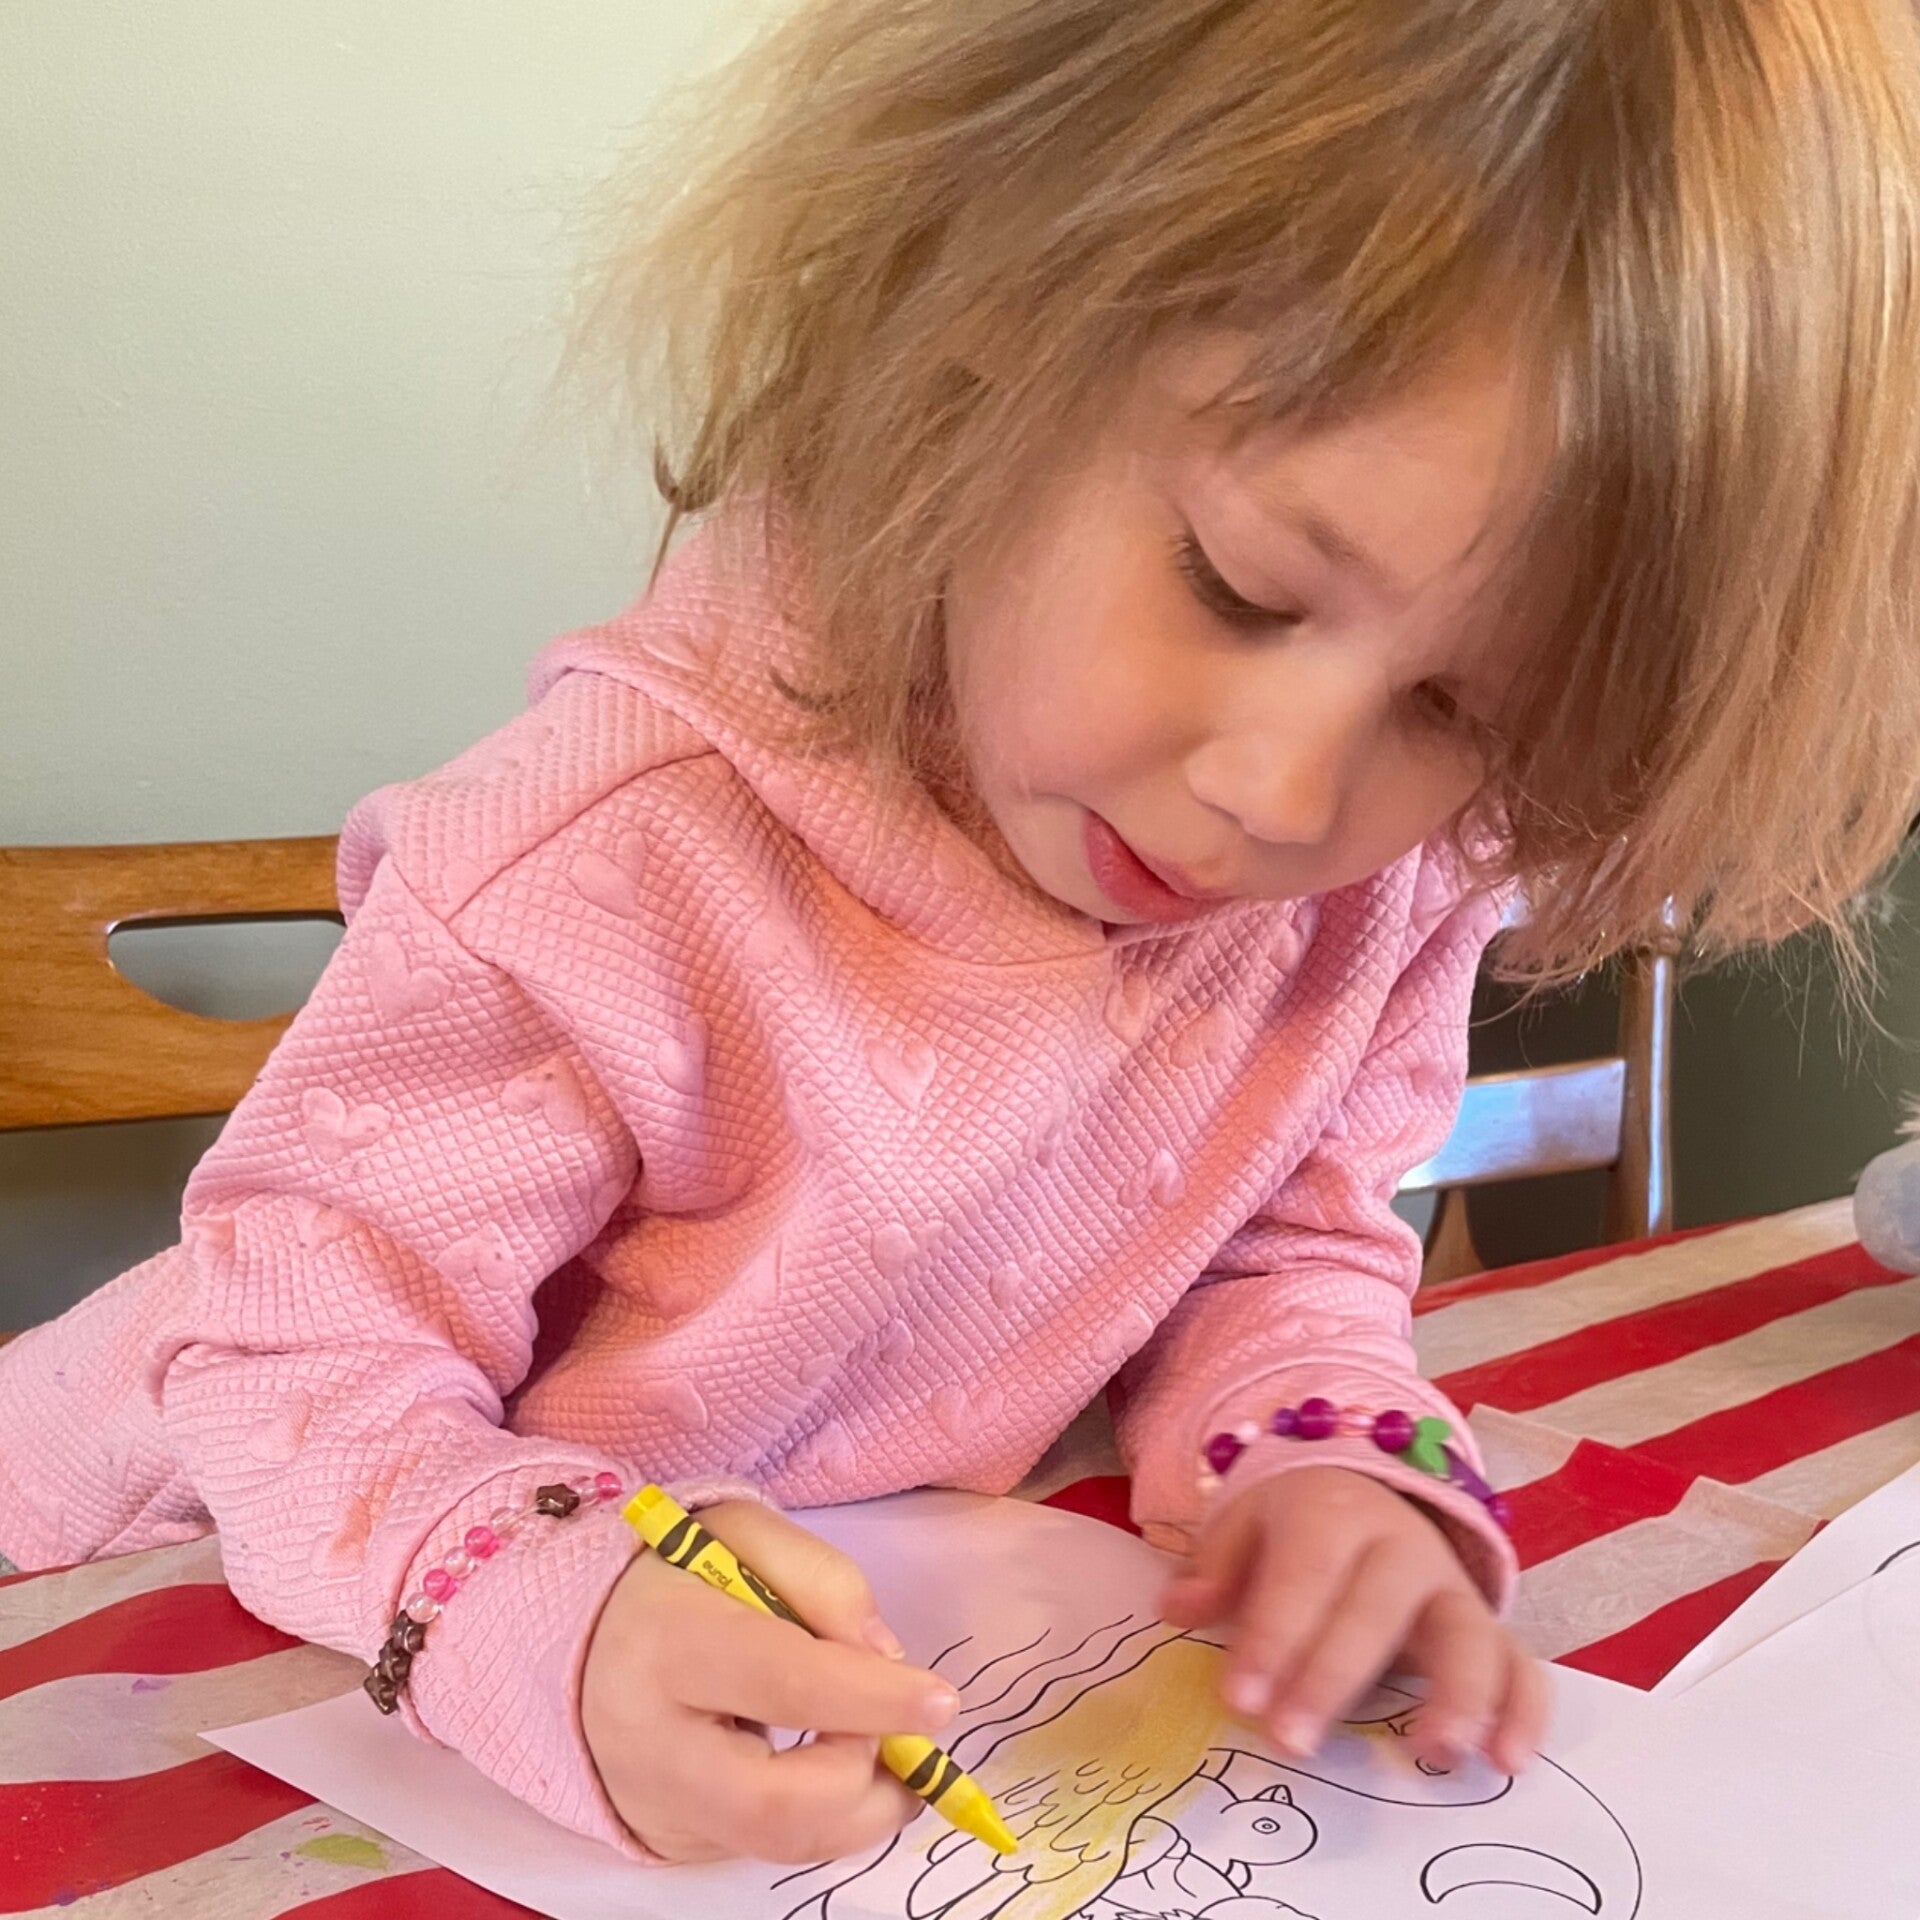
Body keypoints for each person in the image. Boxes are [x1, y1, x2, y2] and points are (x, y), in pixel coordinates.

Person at [4, 0, 1918, 1870]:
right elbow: (286, 1365)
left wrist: (1327, 1461)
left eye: (1466, 715)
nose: (1281, 792)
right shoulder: (614, 857)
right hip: (187, 1583)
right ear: (965, 344)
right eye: (1239, 584)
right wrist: (530, 1612)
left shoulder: (1374, 889)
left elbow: (1279, 1242)